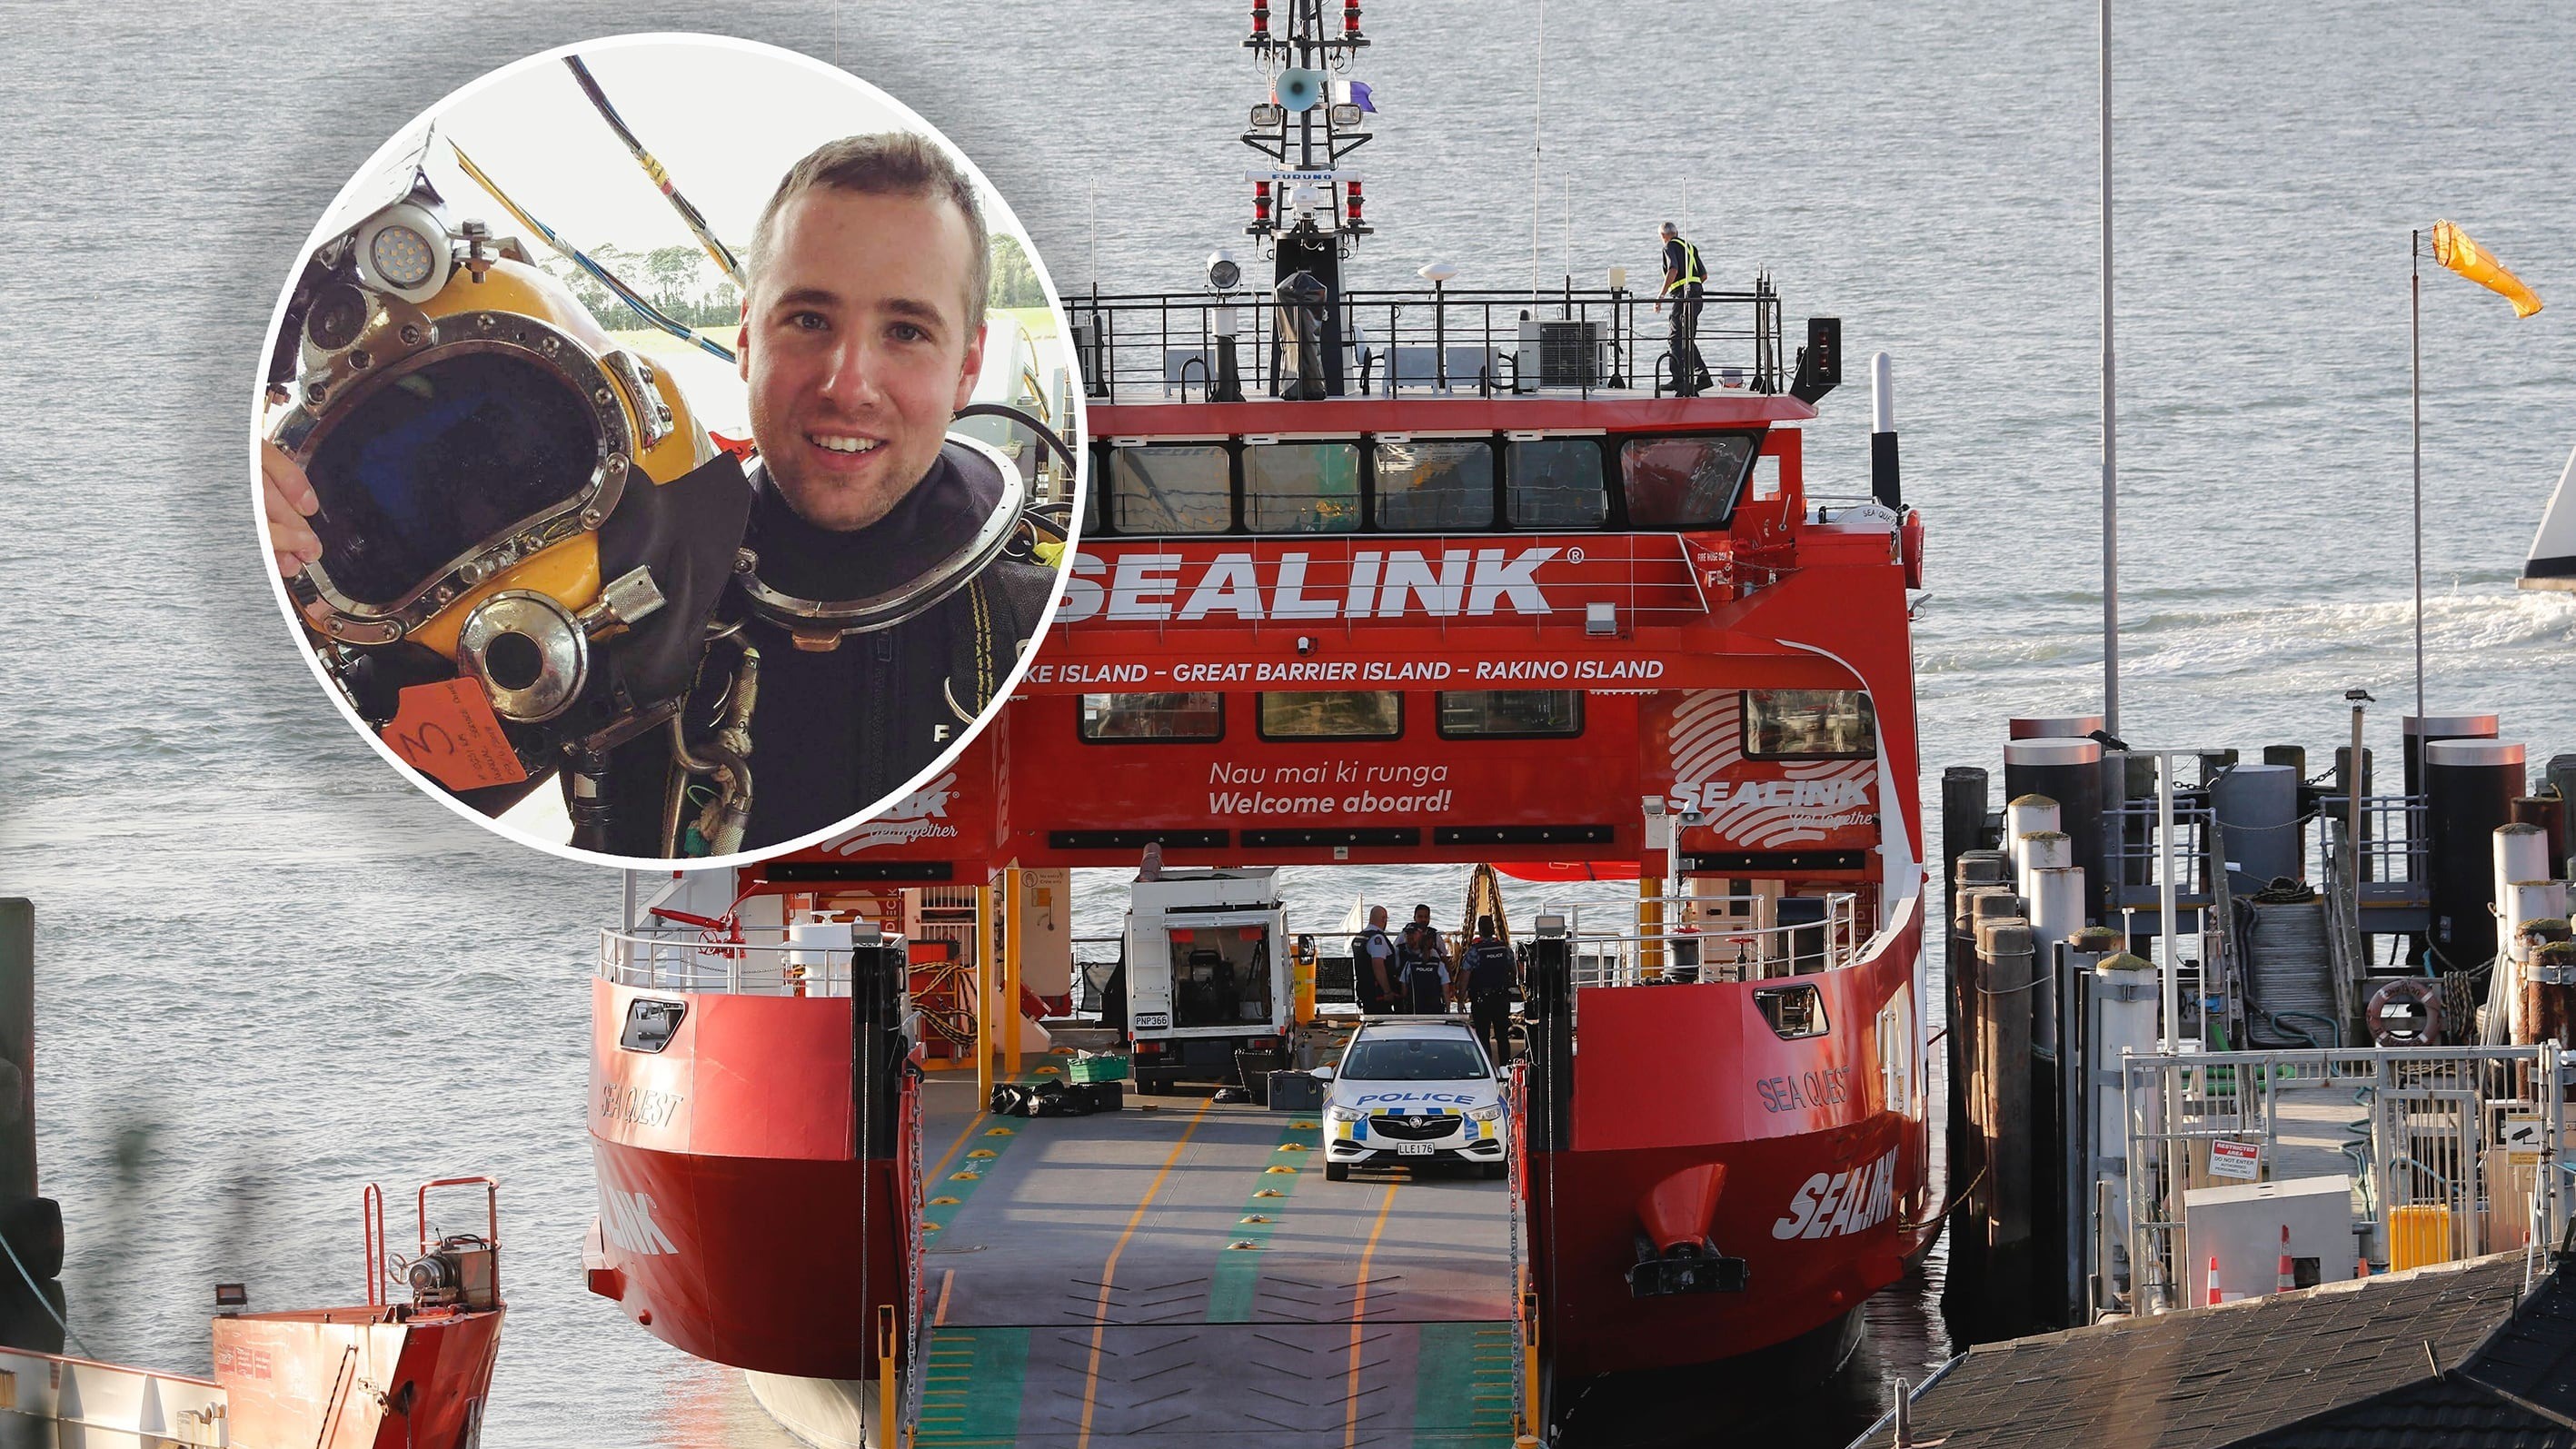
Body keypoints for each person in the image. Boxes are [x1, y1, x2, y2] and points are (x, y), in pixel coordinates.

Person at [262, 133, 1058, 857]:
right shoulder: (619, 588)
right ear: (746, 337)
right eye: (808, 319)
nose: (847, 385)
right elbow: (363, 832)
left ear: (968, 366)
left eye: (907, 331)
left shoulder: (1047, 628)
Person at [1655, 221, 1713, 398]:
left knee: (1675, 337)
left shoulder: (1669, 247)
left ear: (1663, 236)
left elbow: (1673, 269)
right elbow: (1703, 275)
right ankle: (1702, 375)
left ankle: (1679, 379)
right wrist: (1693, 287)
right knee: (1687, 337)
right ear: (1677, 232)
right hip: (1696, 295)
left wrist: (1661, 295)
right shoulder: (1690, 247)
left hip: (1682, 296)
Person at [1460, 916, 1516, 1067]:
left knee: (1483, 1036)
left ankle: (1488, 1067)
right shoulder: (1505, 949)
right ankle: (1505, 1068)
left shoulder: (1475, 951)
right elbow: (1515, 971)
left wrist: (1460, 1000)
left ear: (1480, 930)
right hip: (1502, 998)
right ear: (1493, 929)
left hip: (1482, 1000)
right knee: (1502, 1036)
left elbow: (1465, 976)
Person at [1398, 904, 1451, 1016]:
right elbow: (1396, 955)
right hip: (1411, 985)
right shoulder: (1404, 935)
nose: (1423, 920)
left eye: (1426, 917)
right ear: (1414, 917)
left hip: (1429, 987)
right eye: (1420, 917)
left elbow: (1444, 959)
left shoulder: (1436, 937)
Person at [1351, 906, 1399, 1017]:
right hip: (1377, 992)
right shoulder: (1377, 938)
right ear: (1383, 919)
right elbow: (1378, 966)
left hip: (1364, 988)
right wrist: (1387, 991)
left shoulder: (1359, 937)